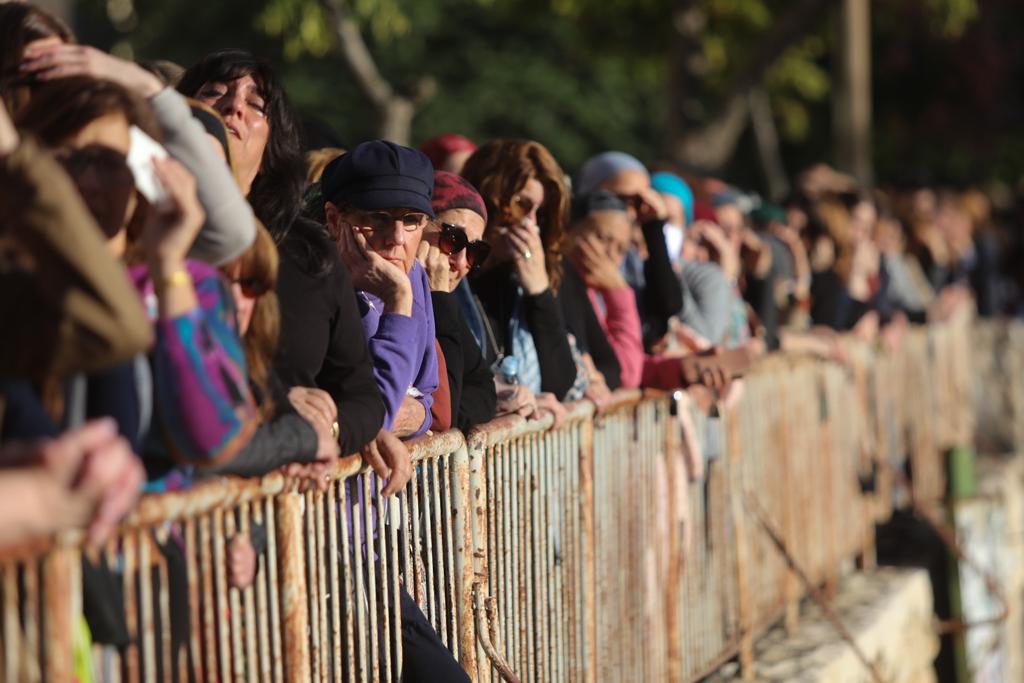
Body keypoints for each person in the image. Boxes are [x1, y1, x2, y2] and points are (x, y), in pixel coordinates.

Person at [178, 50, 387, 462]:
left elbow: (362, 395)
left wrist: (329, 431)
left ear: (272, 143)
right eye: (214, 92)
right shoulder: (149, 233)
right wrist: (280, 408)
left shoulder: (311, 253)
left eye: (257, 104)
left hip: (294, 493)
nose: (234, 107)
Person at [19, 43, 259, 264]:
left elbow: (232, 234)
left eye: (110, 164)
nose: (89, 181)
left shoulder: (155, 269)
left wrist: (147, 87)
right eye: (71, 158)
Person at [320, 140, 439, 439]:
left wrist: (417, 416)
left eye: (411, 220)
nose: (397, 238)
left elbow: (429, 400)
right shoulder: (314, 281)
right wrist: (398, 300)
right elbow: (372, 417)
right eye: (378, 218)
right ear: (334, 219)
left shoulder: (413, 275)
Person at [461, 139, 579, 420]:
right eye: (521, 205)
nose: (531, 223)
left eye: (541, 213)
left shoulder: (523, 278)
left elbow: (560, 383)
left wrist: (539, 292)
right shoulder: (450, 276)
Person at [574, 151, 685, 351]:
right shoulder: (577, 254)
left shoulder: (630, 259)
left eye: (640, 203)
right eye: (623, 200)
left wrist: (654, 228)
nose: (632, 213)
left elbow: (668, 305)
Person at [418, 170, 497, 431]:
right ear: (417, 225)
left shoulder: (443, 300)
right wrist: (438, 297)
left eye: (475, 251)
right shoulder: (380, 295)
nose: (461, 262)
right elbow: (448, 410)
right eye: (453, 239)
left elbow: (484, 392)